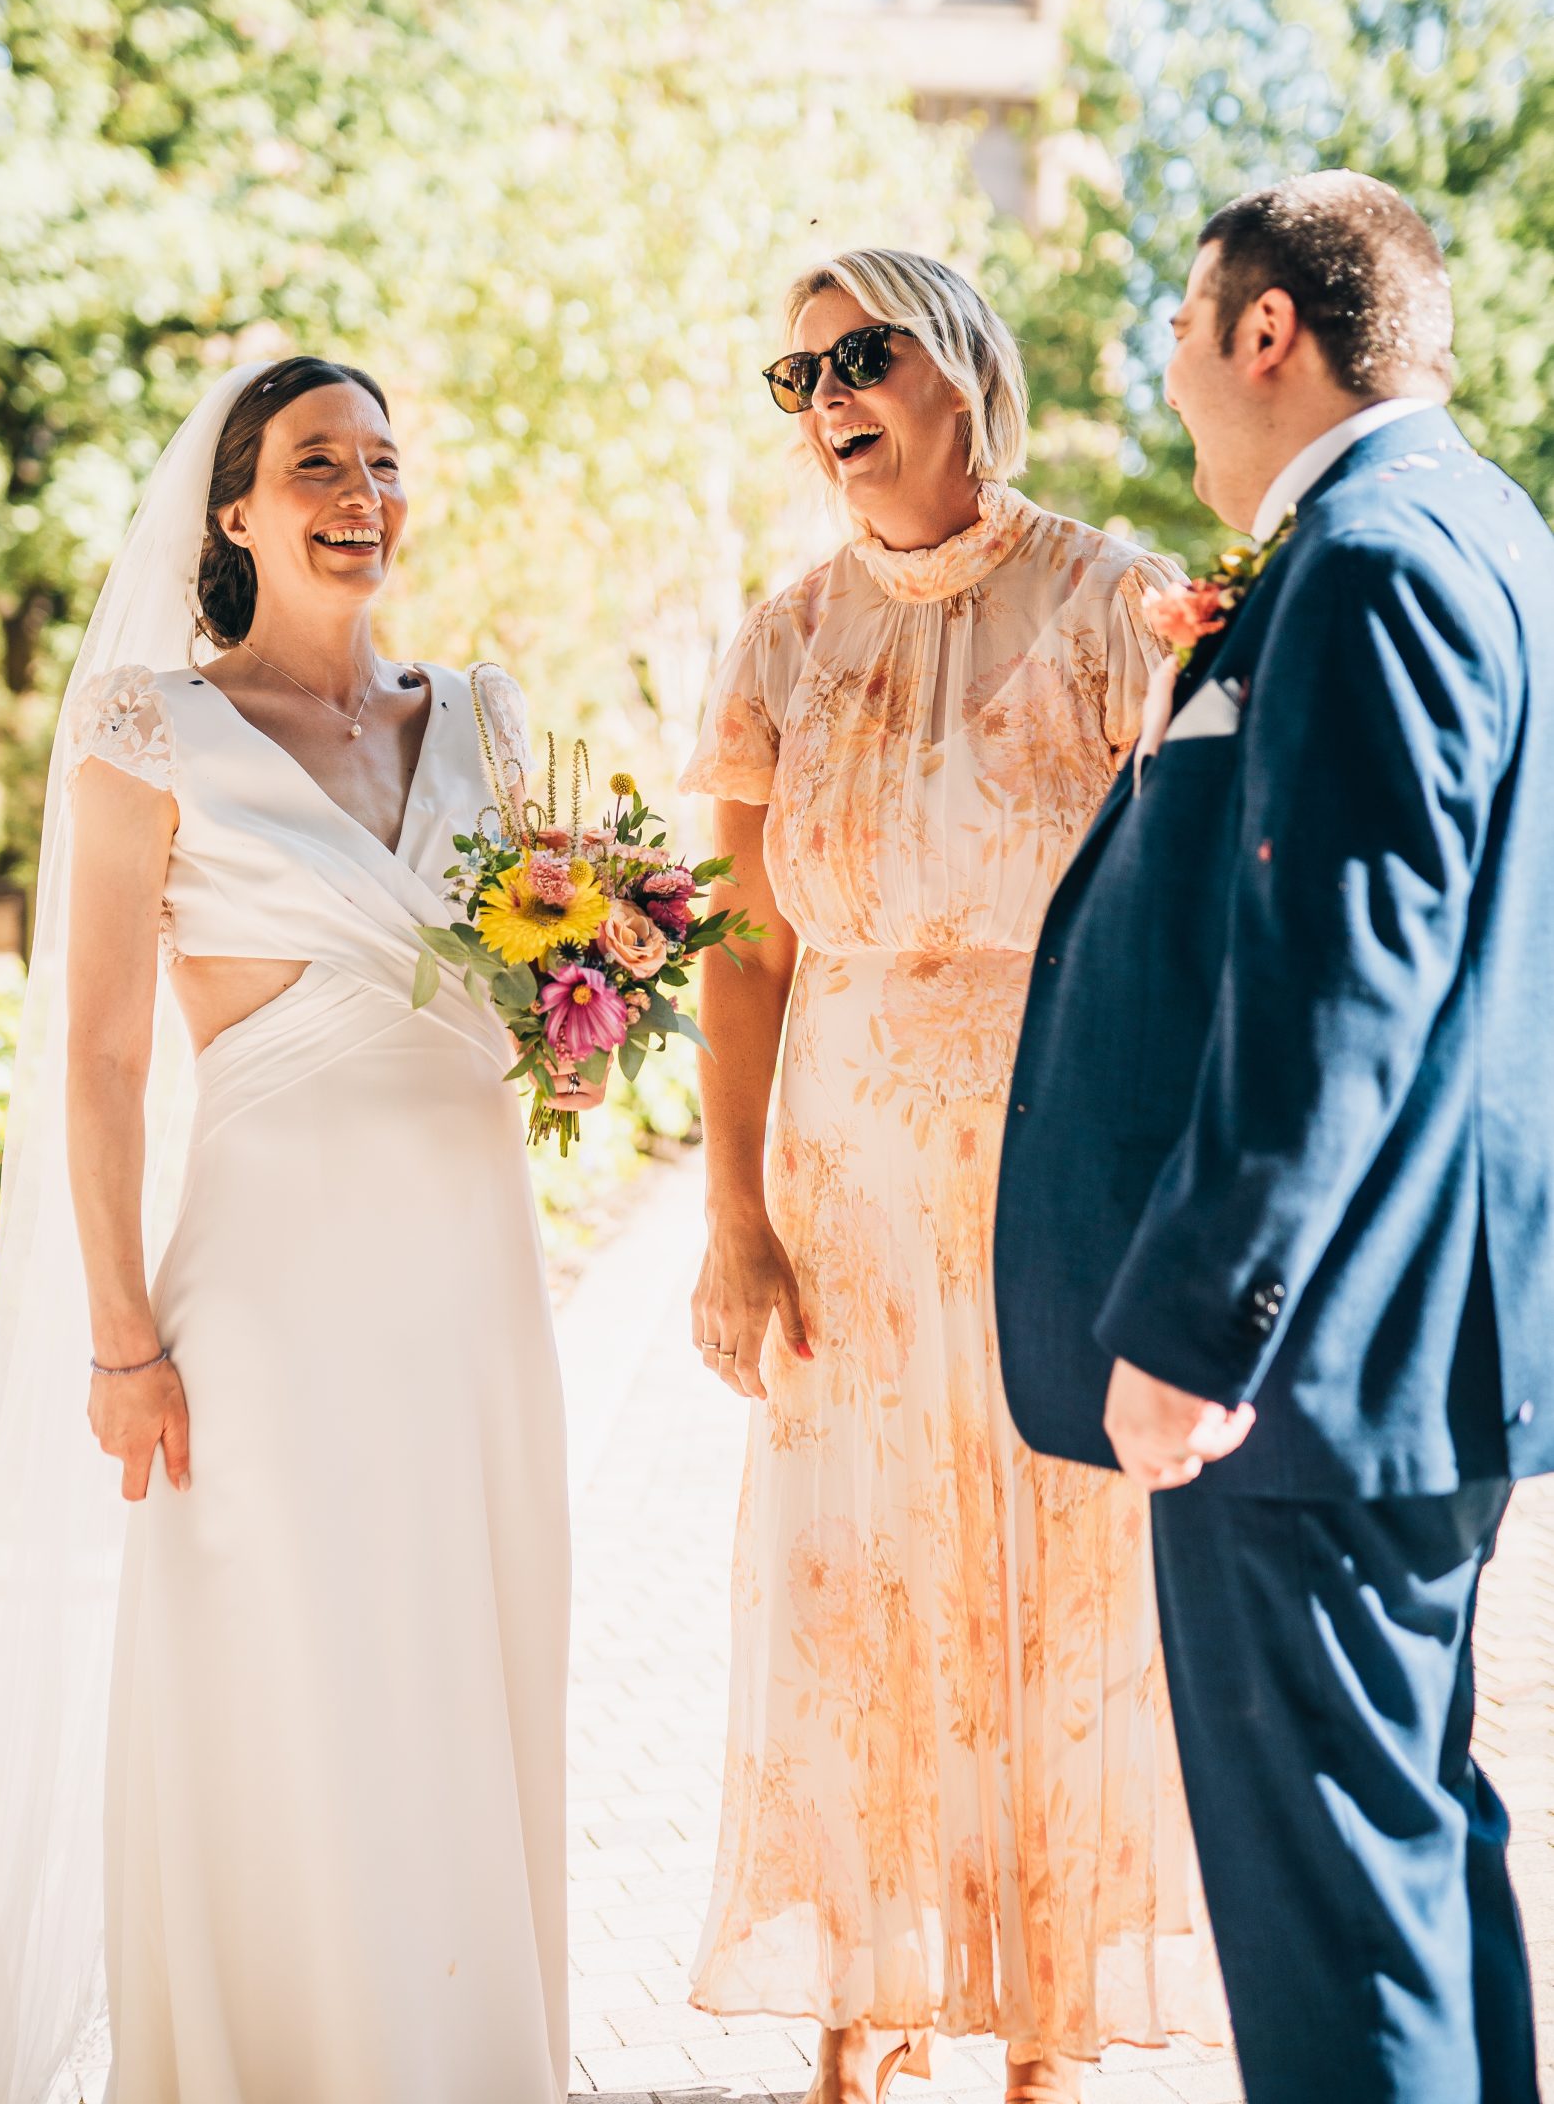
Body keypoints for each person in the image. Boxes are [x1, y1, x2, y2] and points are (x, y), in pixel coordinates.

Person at [0, 355, 592, 2104]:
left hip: (473, 1279)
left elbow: (547, 977)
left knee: (467, 1666)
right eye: (319, 465)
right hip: (267, 1293)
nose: (362, 493)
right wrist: (123, 1338)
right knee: (288, 1677)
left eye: (384, 462)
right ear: (238, 510)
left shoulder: (486, 721)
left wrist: (598, 982)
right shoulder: (142, 726)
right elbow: (106, 1057)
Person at [994, 172, 1554, 2104]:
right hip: (1419, 1341)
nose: (1158, 362)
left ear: (1268, 332)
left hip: (1314, 1356)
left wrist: (1199, 1324)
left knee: (1331, 1911)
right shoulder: (1494, 531)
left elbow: (1349, 971)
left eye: (1174, 321)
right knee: (1407, 1846)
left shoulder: (1377, 556)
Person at [681, 250, 1224, 2104]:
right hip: (840, 1195)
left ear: (965, 368)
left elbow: (1194, 916)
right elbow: (744, 950)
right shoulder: (777, 636)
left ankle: (1055, 2024)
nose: (828, 393)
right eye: (797, 372)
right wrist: (732, 1220)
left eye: (863, 352)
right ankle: (868, 1992)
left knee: (1060, 1580)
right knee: (852, 1586)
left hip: (1053, 1166)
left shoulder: (1116, 603)